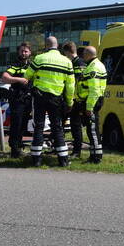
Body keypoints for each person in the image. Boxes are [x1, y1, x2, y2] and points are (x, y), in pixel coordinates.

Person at [25, 35, 75, 167]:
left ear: (46, 46)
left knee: (39, 127)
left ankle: (36, 160)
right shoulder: (67, 62)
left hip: (40, 97)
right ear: (57, 46)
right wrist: (69, 102)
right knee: (57, 127)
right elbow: (70, 86)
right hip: (56, 99)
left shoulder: (39, 58)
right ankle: (63, 160)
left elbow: (27, 75)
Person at [0, 41, 33, 158]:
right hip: (17, 100)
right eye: (22, 51)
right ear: (18, 52)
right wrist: (19, 80)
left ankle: (19, 146)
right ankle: (14, 149)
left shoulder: (32, 66)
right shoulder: (15, 65)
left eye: (26, 51)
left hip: (28, 100)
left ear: (30, 52)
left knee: (24, 125)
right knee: (16, 124)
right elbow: (4, 77)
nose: (24, 53)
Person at [77, 45, 107, 163]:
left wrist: (89, 107)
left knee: (93, 130)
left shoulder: (94, 67)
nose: (82, 56)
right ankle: (94, 155)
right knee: (91, 130)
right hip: (92, 101)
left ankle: (96, 158)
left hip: (92, 102)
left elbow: (94, 90)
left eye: (84, 54)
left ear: (89, 54)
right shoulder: (95, 65)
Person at [60, 42, 86, 158]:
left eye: (65, 53)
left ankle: (77, 151)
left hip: (75, 100)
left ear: (67, 52)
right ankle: (60, 147)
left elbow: (77, 81)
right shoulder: (77, 62)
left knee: (76, 126)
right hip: (71, 99)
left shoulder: (78, 63)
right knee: (62, 124)